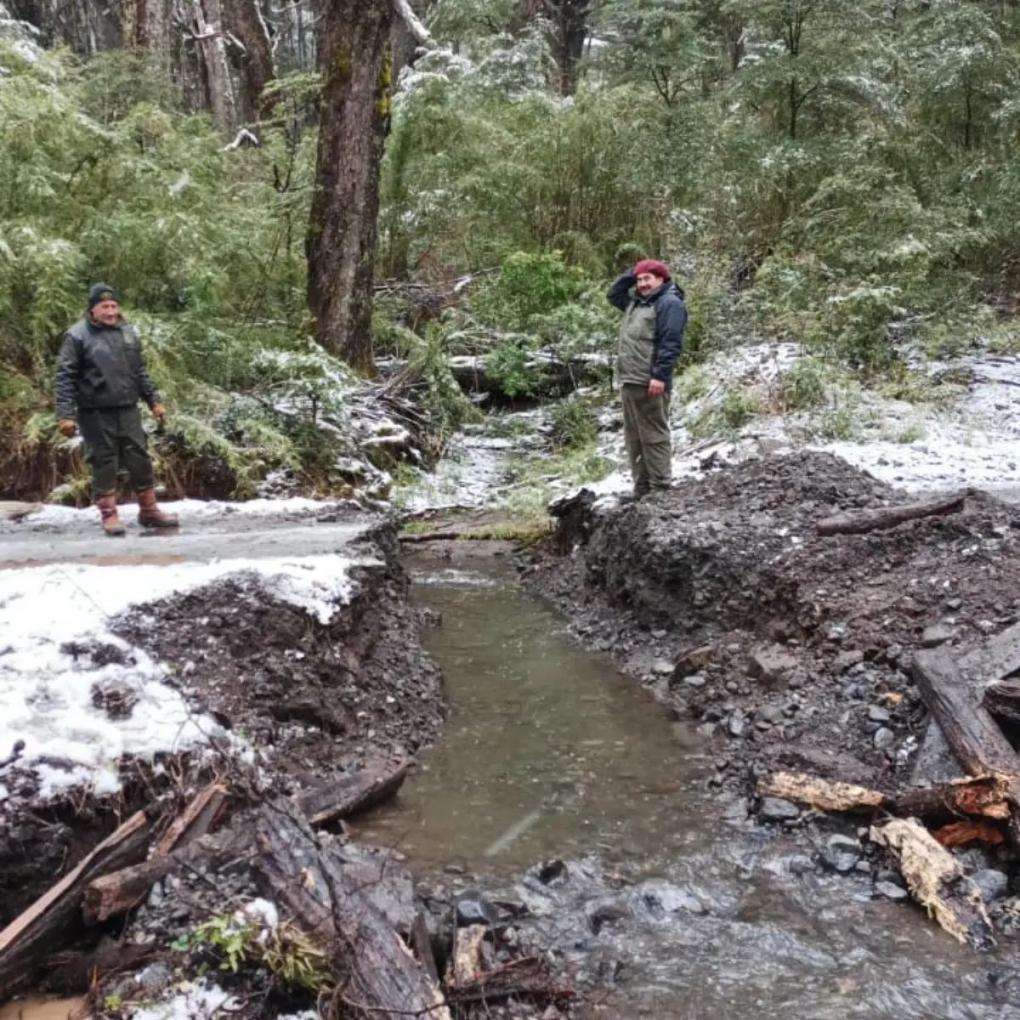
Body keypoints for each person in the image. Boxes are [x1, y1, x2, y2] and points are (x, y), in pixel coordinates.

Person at [55, 283, 179, 536]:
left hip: (128, 408)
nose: (111, 312)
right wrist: (65, 414)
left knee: (140, 458)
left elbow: (139, 371)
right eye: (104, 307)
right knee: (104, 461)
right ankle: (109, 515)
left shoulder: (128, 333)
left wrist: (154, 400)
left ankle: (149, 511)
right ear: (93, 310)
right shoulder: (77, 336)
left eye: (114, 306)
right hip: (95, 412)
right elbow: (65, 376)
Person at [607, 258, 687, 497]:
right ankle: (642, 488)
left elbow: (670, 342)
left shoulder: (669, 303)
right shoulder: (636, 303)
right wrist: (635, 270)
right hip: (630, 379)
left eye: (647, 279)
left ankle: (660, 488)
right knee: (634, 438)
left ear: (661, 279)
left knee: (654, 435)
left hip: (650, 381)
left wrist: (660, 376)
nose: (642, 284)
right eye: (639, 279)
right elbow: (613, 294)